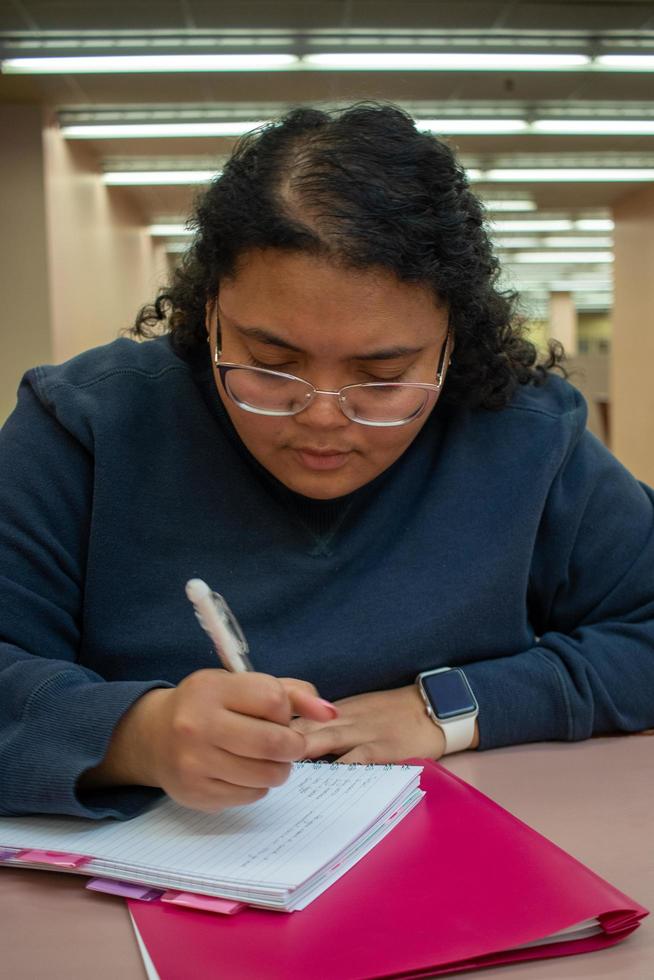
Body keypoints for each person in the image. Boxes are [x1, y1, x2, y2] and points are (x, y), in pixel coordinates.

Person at [1, 103, 653, 821]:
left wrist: (451, 709)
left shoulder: (526, 438)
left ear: (452, 340)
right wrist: (134, 736)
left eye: (382, 374)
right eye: (271, 361)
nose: (321, 414)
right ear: (209, 310)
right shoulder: (84, 427)